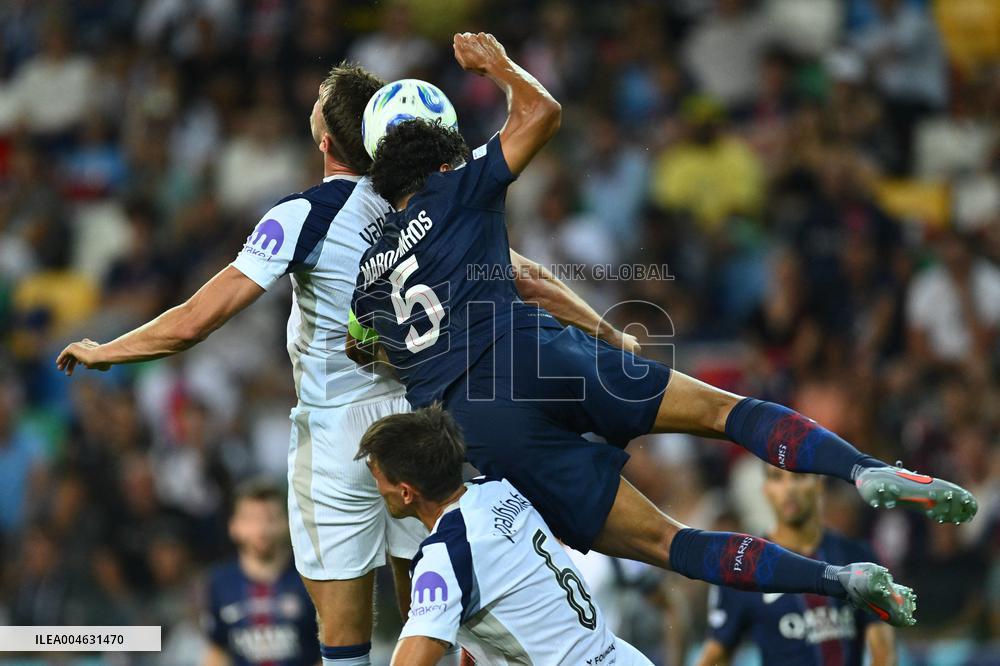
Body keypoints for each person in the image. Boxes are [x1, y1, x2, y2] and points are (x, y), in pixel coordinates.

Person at [351, 32, 979, 628]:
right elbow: (541, 118)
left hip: (475, 423)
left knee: (667, 542)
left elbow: (365, 348)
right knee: (723, 412)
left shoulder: (366, 279)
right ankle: (864, 470)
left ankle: (837, 582)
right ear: (445, 141)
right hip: (533, 351)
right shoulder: (462, 186)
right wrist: (499, 66)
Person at [55, 63, 633, 666]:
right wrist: (608, 331)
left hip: (335, 434)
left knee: (344, 636)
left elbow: (197, 319)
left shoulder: (302, 214)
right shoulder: (424, 201)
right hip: (421, 424)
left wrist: (107, 349)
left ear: (325, 139)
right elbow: (529, 279)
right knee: (437, 622)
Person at [359, 404, 654, 665]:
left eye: (378, 477)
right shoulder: (499, 487)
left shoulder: (445, 556)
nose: (377, 487)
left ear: (406, 492)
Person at [696, 466, 896, 666]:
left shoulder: (858, 558)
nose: (789, 489)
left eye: (798, 476)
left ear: (819, 483)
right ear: (765, 488)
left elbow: (883, 652)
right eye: (777, 477)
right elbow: (716, 657)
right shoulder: (744, 570)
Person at [203, 479, 319, 666]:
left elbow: (330, 651)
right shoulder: (220, 582)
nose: (261, 528)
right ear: (234, 527)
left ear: (287, 522)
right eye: (251, 519)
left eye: (270, 518)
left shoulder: (311, 579)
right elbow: (218, 649)